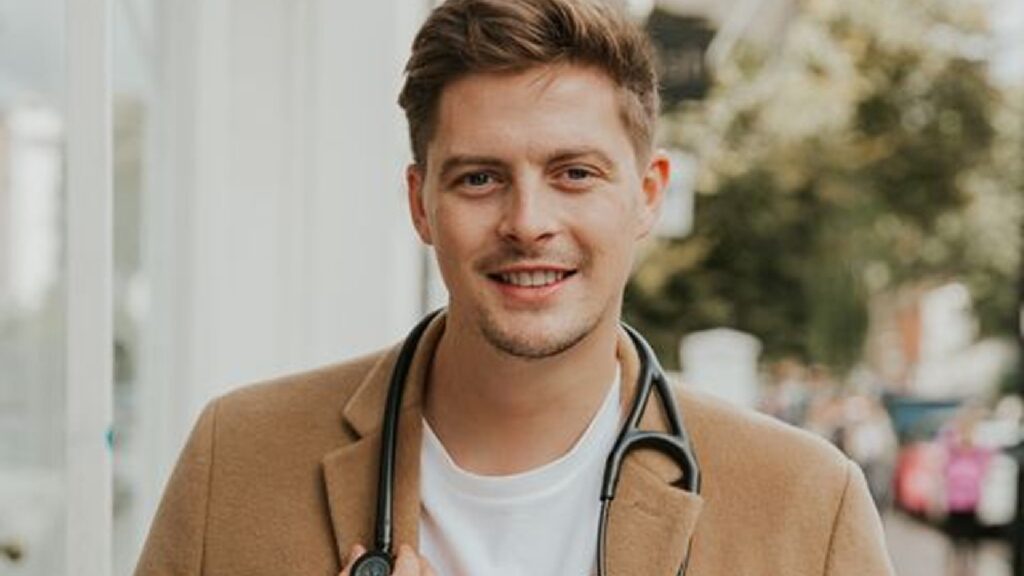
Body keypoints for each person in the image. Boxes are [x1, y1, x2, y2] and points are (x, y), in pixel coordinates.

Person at [135, 0, 895, 575]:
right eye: (479, 178)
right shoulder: (235, 461)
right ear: (419, 204)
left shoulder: (806, 507)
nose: (528, 223)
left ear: (648, 194)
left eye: (574, 173)